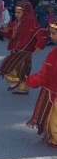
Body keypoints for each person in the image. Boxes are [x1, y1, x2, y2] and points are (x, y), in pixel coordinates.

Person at [0, 0, 47, 94]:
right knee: (22, 68)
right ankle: (23, 88)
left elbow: (41, 33)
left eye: (19, 12)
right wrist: (4, 30)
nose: (16, 14)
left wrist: (39, 45)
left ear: (26, 13)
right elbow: (10, 33)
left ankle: (15, 80)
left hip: (26, 50)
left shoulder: (33, 23)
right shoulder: (16, 22)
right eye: (16, 12)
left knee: (10, 64)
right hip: (17, 48)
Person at [26, 18, 57, 148]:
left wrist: (29, 80)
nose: (50, 36)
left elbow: (45, 75)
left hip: (54, 90)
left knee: (54, 118)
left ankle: (55, 139)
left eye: (54, 33)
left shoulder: (54, 55)